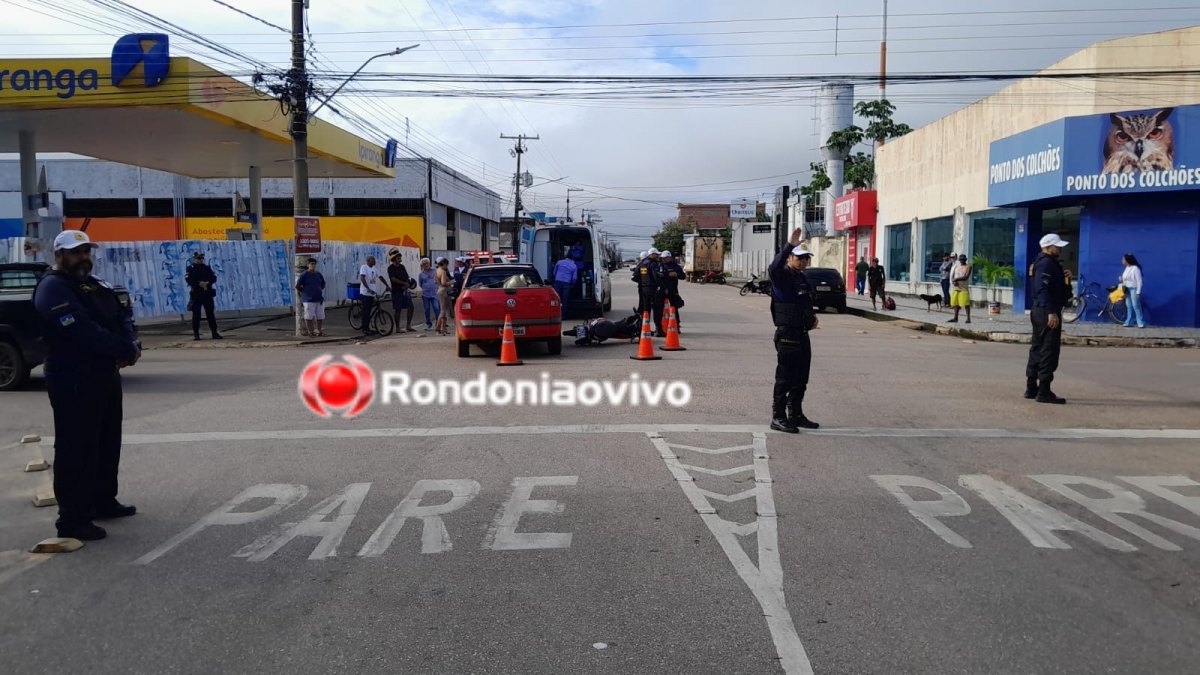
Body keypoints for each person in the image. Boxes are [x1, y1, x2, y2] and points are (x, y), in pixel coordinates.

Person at [32, 230, 141, 541]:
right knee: (76, 448)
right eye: (76, 252)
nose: (83, 257)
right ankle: (72, 519)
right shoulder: (53, 288)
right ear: (59, 255)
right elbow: (80, 329)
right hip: (73, 377)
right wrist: (123, 349)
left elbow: (121, 315)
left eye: (86, 251)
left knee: (107, 441)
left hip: (103, 374)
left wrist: (130, 343)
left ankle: (103, 501)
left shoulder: (92, 284)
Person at [767, 228, 821, 433]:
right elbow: (773, 268)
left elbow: (804, 303)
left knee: (801, 378)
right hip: (788, 335)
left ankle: (795, 414)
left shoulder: (802, 278)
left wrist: (811, 319)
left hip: (802, 333)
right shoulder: (782, 277)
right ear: (790, 258)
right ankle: (778, 417)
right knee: (785, 378)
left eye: (806, 258)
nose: (803, 262)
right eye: (799, 258)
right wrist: (790, 244)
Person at [1026, 233, 1071, 404]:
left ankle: (1031, 387)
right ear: (1049, 246)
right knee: (1049, 350)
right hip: (1046, 311)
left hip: (1039, 310)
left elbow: (1061, 292)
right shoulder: (1046, 263)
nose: (1060, 248)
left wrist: (1065, 278)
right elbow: (1042, 289)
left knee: (1037, 348)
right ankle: (1043, 390)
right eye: (1057, 246)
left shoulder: (1042, 262)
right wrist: (1052, 312)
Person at [186, 251, 222, 340]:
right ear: (194, 259)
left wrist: (207, 282)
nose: (201, 260)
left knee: (210, 314)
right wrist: (199, 283)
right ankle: (196, 334)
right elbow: (189, 280)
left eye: (202, 258)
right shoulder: (190, 269)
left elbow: (213, 278)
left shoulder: (206, 268)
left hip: (207, 293)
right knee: (196, 315)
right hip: (196, 294)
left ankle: (214, 332)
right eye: (198, 258)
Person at [633, 248, 662, 332]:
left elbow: (635, 276)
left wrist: (642, 283)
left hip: (644, 289)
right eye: (656, 254)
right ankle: (658, 329)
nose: (657, 256)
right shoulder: (653, 264)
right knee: (657, 309)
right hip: (653, 289)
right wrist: (660, 285)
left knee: (646, 309)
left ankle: (645, 328)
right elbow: (656, 277)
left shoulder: (642, 263)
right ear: (651, 255)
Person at [295, 257, 326, 337]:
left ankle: (319, 331)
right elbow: (297, 285)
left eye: (314, 264)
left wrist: (319, 289)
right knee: (309, 316)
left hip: (318, 299)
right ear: (308, 265)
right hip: (308, 299)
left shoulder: (318, 274)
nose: (313, 265)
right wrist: (304, 291)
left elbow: (323, 283)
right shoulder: (304, 275)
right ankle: (310, 331)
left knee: (320, 316)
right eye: (311, 264)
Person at [358, 255, 389, 336]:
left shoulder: (374, 269)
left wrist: (387, 285)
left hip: (372, 293)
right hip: (365, 293)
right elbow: (362, 278)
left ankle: (368, 326)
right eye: (373, 260)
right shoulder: (364, 267)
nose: (375, 261)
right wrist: (367, 288)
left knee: (369, 311)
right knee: (366, 312)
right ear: (368, 260)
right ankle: (365, 328)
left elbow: (381, 277)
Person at [387, 248, 415, 333]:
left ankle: (408, 326)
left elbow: (407, 277)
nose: (399, 259)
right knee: (398, 309)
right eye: (397, 257)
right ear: (393, 259)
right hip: (396, 291)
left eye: (399, 257)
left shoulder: (402, 267)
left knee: (411, 307)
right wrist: (403, 284)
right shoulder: (390, 268)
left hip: (405, 291)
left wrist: (407, 285)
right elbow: (393, 279)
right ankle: (398, 328)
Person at [657, 250, 685, 334]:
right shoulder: (659, 265)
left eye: (665, 258)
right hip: (661, 290)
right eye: (662, 258)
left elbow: (683, 276)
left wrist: (676, 274)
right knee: (659, 309)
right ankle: (659, 328)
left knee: (674, 308)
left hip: (672, 290)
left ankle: (677, 326)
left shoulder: (675, 266)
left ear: (670, 258)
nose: (663, 260)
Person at [1120, 254, 1145, 329]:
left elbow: (1139, 281)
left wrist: (1138, 291)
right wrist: (1121, 279)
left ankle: (1140, 322)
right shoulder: (1127, 268)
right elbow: (1126, 278)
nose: (1122, 261)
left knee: (1136, 305)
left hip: (1133, 288)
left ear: (1127, 260)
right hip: (1127, 288)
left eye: (1123, 259)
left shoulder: (1135, 268)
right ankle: (1129, 322)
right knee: (1129, 305)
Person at [948, 253, 972, 323]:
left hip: (964, 288)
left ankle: (968, 318)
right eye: (961, 259)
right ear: (959, 260)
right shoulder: (957, 267)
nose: (962, 261)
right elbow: (953, 276)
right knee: (955, 303)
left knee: (966, 303)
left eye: (963, 260)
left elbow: (966, 277)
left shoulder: (968, 267)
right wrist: (954, 281)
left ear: (965, 260)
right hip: (956, 287)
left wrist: (956, 279)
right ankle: (955, 318)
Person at [417, 257, 439, 331]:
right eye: (424, 264)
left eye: (427, 263)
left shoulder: (435, 271)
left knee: (436, 308)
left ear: (429, 263)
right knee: (427, 309)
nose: (426, 265)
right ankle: (428, 324)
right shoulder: (421, 274)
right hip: (425, 294)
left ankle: (438, 323)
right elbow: (420, 284)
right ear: (422, 265)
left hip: (434, 293)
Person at [434, 257, 453, 336]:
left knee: (443, 311)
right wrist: (452, 282)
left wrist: (450, 280)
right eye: (446, 265)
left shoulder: (437, 270)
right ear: (444, 264)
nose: (447, 267)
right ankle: (438, 327)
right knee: (443, 310)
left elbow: (438, 281)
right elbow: (444, 283)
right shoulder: (443, 271)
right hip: (443, 291)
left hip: (439, 290)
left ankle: (443, 328)